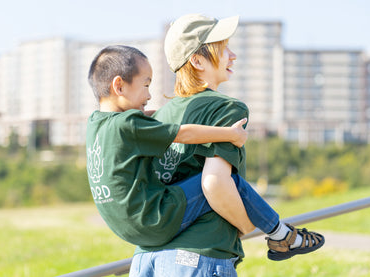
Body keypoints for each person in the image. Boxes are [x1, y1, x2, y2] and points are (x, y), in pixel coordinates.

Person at [130, 14, 325, 276]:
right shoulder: (226, 109)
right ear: (197, 61)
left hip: (146, 259)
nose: (232, 56)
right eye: (223, 49)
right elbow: (215, 183)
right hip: (198, 257)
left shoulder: (160, 117)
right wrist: (249, 227)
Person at [86, 45, 251, 247]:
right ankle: (272, 229)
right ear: (119, 86)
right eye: (146, 85)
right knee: (225, 180)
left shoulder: (96, 123)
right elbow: (184, 133)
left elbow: (142, 120)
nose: (148, 96)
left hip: (128, 230)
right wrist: (230, 134)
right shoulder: (128, 125)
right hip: (156, 218)